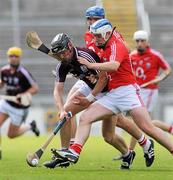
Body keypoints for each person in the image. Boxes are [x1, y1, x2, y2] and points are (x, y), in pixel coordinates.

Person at [44, 6, 154, 169]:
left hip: (108, 84)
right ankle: (65, 152)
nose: (91, 22)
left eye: (94, 19)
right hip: (90, 80)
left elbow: (114, 58)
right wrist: (70, 64)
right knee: (67, 110)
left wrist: (94, 77)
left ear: (102, 20)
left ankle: (141, 144)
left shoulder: (110, 35)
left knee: (112, 131)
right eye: (88, 19)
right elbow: (79, 57)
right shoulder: (89, 35)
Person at [129, 30, 172, 150]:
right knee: (146, 123)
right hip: (136, 91)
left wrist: (161, 78)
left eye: (142, 41)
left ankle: (129, 152)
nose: (140, 43)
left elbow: (167, 70)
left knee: (140, 122)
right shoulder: (131, 56)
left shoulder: (155, 55)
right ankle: (170, 129)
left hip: (149, 91)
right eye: (137, 41)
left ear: (147, 42)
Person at [0, 47, 40, 139]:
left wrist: (23, 94)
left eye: (16, 56)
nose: (13, 58)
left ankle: (30, 126)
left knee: (11, 135)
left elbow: (35, 88)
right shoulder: (4, 71)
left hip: (18, 108)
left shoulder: (24, 73)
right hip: (6, 103)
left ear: (19, 57)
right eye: (11, 56)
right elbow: (2, 83)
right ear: (8, 57)